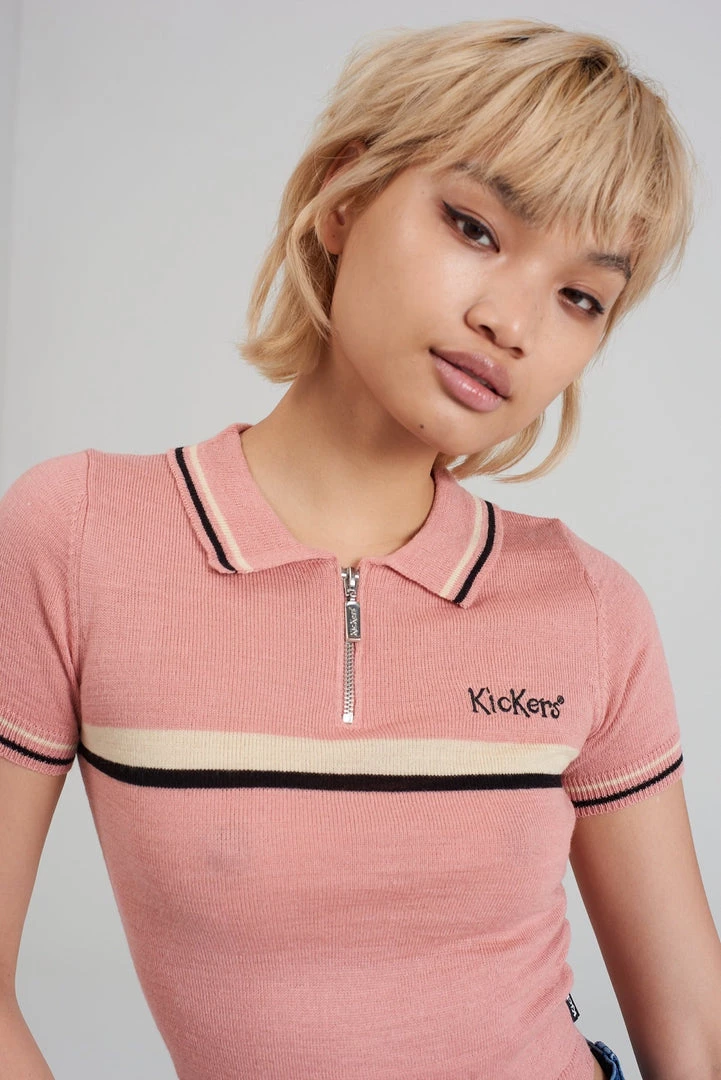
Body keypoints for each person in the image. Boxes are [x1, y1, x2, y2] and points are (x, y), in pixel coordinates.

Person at [0, 16, 719, 1080]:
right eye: (475, 227)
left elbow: (695, 1036)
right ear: (343, 196)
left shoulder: (589, 607)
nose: (513, 323)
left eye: (579, 297)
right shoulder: (77, 536)